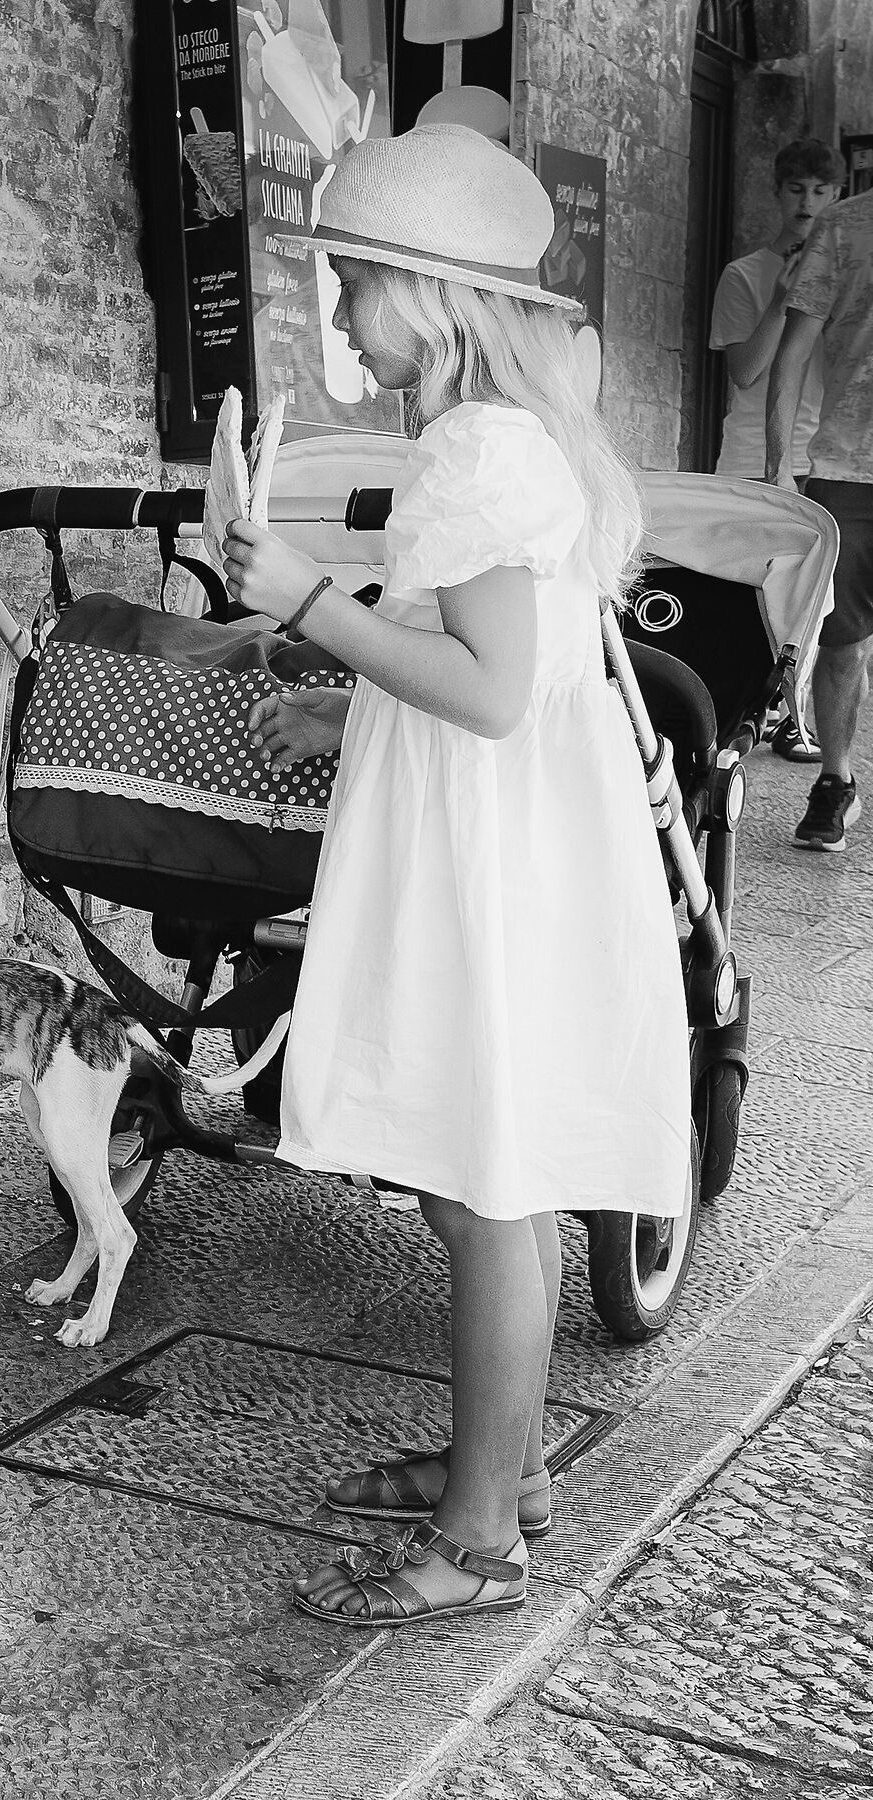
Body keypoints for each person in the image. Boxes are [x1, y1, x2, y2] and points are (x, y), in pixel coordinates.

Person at [222, 124, 691, 1625]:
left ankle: (483, 1534)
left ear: (432, 297)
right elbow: (496, 669)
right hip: (497, 835)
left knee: (491, 1188)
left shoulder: (483, 449)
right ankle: (508, 1463)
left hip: (495, 860)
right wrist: (343, 695)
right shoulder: (492, 444)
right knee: (470, 1174)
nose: (344, 317)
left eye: (356, 282)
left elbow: (489, 691)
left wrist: (302, 599)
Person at [713, 138, 841, 762]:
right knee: (746, 587)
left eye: (821, 191)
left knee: (819, 596)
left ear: (837, 196)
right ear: (777, 191)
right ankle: (738, 703)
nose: (807, 203)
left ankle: (794, 714)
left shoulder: (846, 275)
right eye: (796, 189)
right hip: (748, 454)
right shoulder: (744, 273)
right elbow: (744, 371)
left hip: (824, 454)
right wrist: (781, 297)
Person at [768, 179, 873, 851]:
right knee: (841, 644)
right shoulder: (844, 225)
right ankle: (835, 781)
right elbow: (794, 348)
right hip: (848, 467)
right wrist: (779, 463)